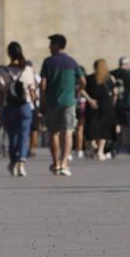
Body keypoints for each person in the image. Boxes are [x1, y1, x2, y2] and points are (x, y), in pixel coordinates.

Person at [40, 34, 86, 176]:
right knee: (68, 132)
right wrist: (77, 92)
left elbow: (43, 84)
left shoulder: (48, 62)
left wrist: (42, 101)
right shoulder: (72, 62)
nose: (49, 47)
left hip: (52, 102)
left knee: (53, 132)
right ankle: (65, 162)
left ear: (57, 46)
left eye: (51, 44)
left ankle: (56, 163)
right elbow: (83, 81)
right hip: (69, 102)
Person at [0, 41, 37, 177]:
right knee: (24, 135)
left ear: (8, 54)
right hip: (25, 106)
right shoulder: (28, 69)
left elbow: (0, 93)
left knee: (12, 136)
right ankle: (22, 162)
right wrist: (36, 106)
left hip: (9, 107)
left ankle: (14, 161)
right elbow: (32, 91)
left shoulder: (2, 71)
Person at [81, 59, 118, 161]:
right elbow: (115, 93)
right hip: (107, 105)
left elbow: (81, 90)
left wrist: (90, 100)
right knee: (104, 129)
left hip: (93, 105)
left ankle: (93, 144)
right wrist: (113, 104)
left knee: (92, 127)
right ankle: (100, 151)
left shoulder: (89, 78)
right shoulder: (110, 78)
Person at [111, 57, 130, 151]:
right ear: (127, 64)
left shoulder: (113, 73)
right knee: (128, 126)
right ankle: (128, 145)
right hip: (128, 103)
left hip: (117, 102)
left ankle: (116, 144)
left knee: (117, 124)